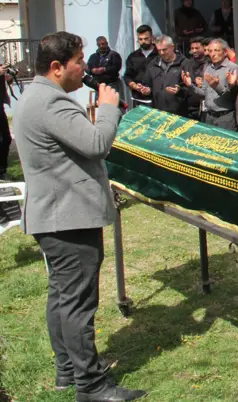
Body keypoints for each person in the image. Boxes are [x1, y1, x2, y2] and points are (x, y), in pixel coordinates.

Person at [14, 31, 146, 401]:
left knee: (61, 296)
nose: (84, 68)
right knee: (77, 303)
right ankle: (91, 386)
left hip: (55, 216)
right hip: (68, 218)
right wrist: (107, 108)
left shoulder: (35, 96)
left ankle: (67, 371)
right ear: (57, 67)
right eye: (78, 61)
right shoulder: (52, 103)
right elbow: (96, 144)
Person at [183, 39, 237, 131]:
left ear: (224, 52)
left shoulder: (232, 68)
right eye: (210, 51)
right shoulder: (208, 68)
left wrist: (216, 86)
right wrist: (190, 85)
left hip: (225, 118)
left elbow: (231, 95)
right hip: (209, 117)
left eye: (216, 50)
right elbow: (204, 93)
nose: (213, 54)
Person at [146, 35, 188, 116]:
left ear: (172, 47)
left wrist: (180, 90)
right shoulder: (152, 64)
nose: (161, 53)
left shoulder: (184, 63)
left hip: (179, 113)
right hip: (158, 112)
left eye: (164, 50)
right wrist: (146, 89)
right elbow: (147, 83)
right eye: (159, 50)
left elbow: (192, 88)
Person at [123, 25, 156, 108]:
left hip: (157, 99)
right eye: (140, 39)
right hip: (138, 99)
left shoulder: (159, 54)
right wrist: (135, 86)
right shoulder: (133, 56)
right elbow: (127, 76)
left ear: (152, 38)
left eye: (146, 39)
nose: (143, 41)